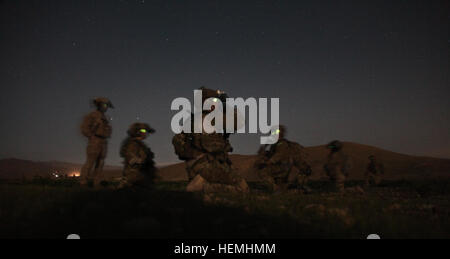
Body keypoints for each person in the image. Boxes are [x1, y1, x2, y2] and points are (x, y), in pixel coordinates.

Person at [172, 87, 249, 194]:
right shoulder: (211, 118)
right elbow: (239, 122)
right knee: (243, 189)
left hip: (195, 167)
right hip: (208, 166)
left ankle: (200, 182)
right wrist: (227, 104)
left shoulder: (192, 120)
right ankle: (201, 187)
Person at [255, 125, 312, 193]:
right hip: (283, 168)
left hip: (282, 167)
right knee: (284, 186)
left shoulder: (281, 144)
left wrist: (269, 162)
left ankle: (275, 189)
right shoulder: (276, 145)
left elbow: (279, 155)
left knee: (263, 171)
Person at [80, 97, 113, 186]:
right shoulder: (92, 115)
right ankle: (83, 181)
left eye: (107, 106)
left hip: (103, 141)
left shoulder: (105, 118)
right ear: (99, 105)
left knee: (101, 162)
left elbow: (108, 131)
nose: (106, 107)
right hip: (95, 140)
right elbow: (84, 128)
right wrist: (91, 136)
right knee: (90, 161)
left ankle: (97, 182)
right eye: (104, 105)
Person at [119, 123, 157, 188]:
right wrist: (144, 161)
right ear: (136, 131)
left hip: (142, 178)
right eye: (143, 131)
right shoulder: (132, 144)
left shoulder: (141, 145)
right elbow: (132, 160)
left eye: (146, 131)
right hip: (134, 179)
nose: (145, 133)